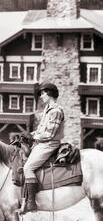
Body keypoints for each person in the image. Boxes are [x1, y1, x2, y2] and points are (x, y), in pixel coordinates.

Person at [23, 83, 65, 212]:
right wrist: (29, 135)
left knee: (28, 168)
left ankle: (31, 203)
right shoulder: (47, 109)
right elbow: (41, 130)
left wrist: (33, 138)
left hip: (49, 144)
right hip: (42, 143)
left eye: (42, 93)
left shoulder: (56, 111)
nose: (41, 97)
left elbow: (50, 134)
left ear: (50, 93)